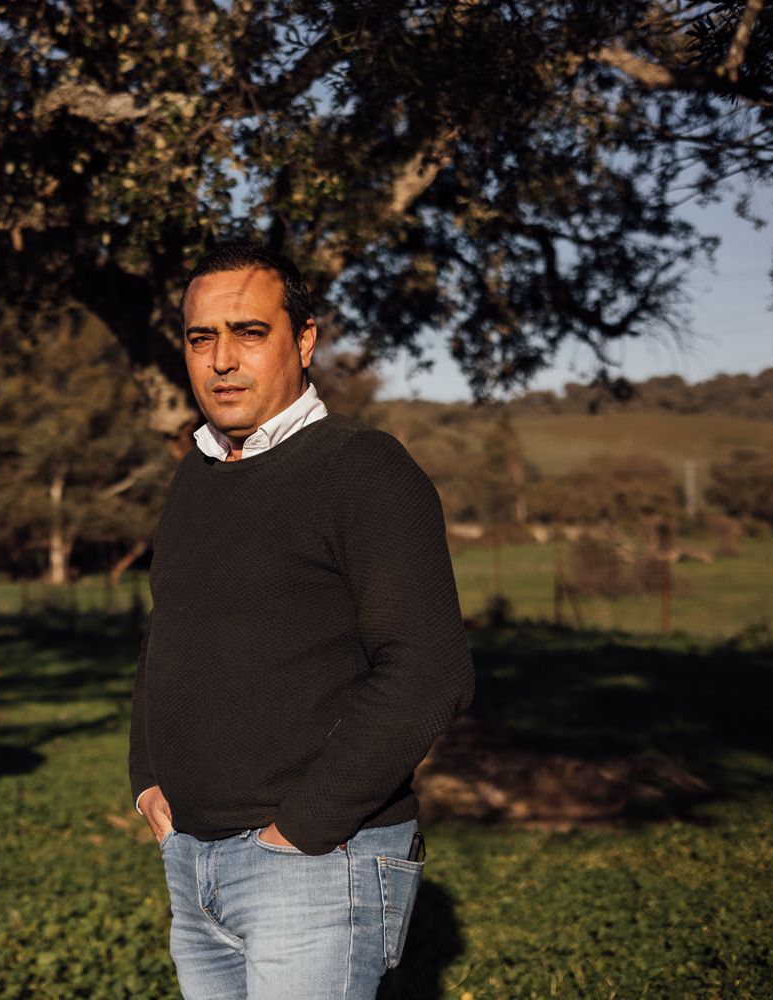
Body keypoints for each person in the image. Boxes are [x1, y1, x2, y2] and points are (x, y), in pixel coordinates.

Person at [129, 242, 474, 999]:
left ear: (305, 339)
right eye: (200, 337)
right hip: (193, 859)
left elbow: (429, 668)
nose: (221, 360)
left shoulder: (362, 468)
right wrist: (146, 776)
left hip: (316, 862)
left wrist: (303, 829)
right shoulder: (197, 473)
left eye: (249, 333)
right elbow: (171, 630)